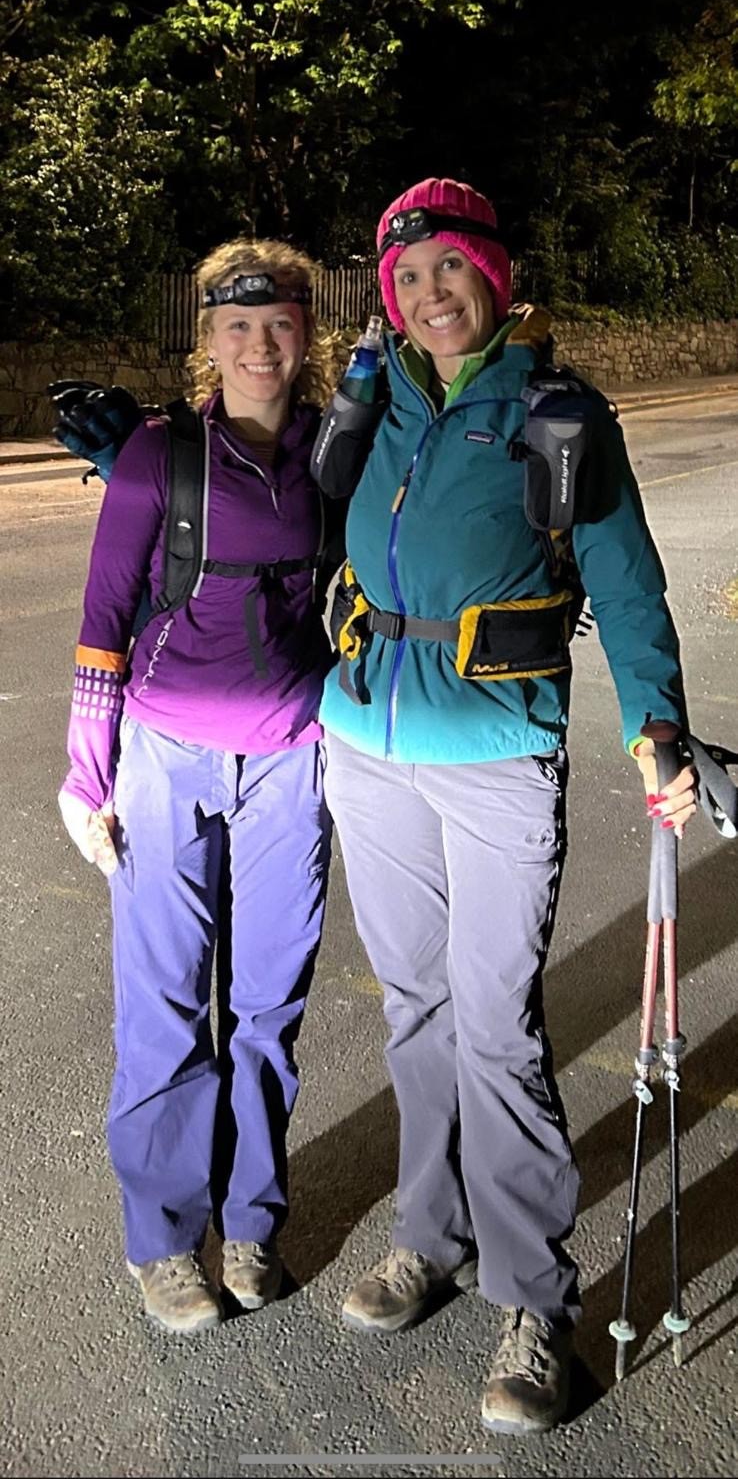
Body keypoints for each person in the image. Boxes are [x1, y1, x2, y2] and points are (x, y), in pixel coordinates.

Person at [316, 177, 697, 1434]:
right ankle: (432, 1236)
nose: (430, 296)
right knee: (415, 1013)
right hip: (367, 748)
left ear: (494, 273)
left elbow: (627, 580)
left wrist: (655, 724)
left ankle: (536, 1296)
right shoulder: (372, 404)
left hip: (492, 754)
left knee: (494, 1030)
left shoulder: (553, 412)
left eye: (448, 271)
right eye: (407, 279)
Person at [57, 237, 339, 1334]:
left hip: (290, 758)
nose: (260, 344)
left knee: (270, 1002)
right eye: (237, 326)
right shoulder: (160, 456)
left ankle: (255, 1216)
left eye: (278, 324)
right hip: (166, 757)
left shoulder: (332, 452)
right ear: (206, 341)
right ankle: (169, 1241)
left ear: (306, 333)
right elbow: (100, 624)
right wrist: (88, 780)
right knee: (166, 1002)